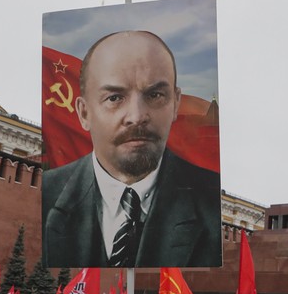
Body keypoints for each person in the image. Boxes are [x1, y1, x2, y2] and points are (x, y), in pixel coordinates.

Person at [42, 30, 222, 269]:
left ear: (175, 104)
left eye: (155, 95)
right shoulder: (45, 196)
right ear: (84, 113)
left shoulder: (210, 203)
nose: (137, 117)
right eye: (115, 98)